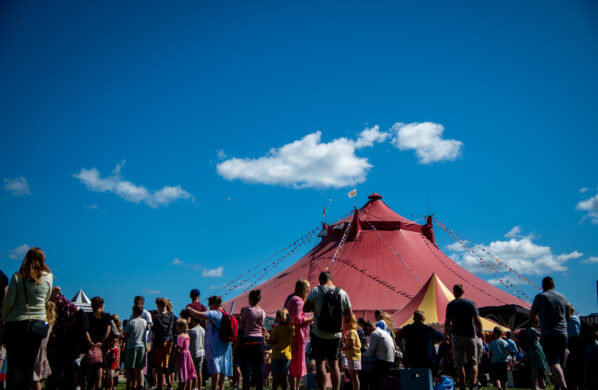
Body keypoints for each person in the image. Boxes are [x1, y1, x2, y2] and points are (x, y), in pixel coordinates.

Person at [2, 247, 53, 390]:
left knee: (14, 365)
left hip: (16, 322)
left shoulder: (17, 277)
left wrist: (3, 318)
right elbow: (47, 298)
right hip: (36, 324)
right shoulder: (48, 277)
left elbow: (9, 302)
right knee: (28, 365)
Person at [303, 271, 353, 390]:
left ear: (320, 280)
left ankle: (322, 388)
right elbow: (349, 315)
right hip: (335, 334)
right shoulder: (343, 293)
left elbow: (305, 308)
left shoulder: (316, 291)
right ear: (331, 279)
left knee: (320, 363)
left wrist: (315, 306)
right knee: (334, 364)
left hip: (318, 333)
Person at [530, 276, 569, 390]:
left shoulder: (540, 297)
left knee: (553, 361)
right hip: (562, 333)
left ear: (543, 286)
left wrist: (536, 320)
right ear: (554, 285)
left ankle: (564, 386)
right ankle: (557, 387)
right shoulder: (563, 297)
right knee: (559, 363)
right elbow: (568, 317)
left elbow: (532, 314)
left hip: (548, 333)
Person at [187, 296, 232, 390]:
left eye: (210, 304)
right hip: (224, 344)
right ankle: (221, 387)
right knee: (222, 368)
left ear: (214, 304)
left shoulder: (215, 313)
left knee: (215, 369)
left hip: (215, 344)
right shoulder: (225, 313)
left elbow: (199, 315)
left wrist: (190, 309)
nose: (209, 306)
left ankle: (214, 387)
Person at [444, 284, 482, 390]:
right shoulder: (470, 303)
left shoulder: (451, 305)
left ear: (454, 292)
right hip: (470, 336)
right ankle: (473, 384)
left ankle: (462, 385)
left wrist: (446, 335)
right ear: (463, 292)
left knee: (459, 364)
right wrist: (480, 331)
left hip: (456, 336)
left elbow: (447, 322)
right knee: (473, 362)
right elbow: (477, 319)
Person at [284, 279, 313, 390]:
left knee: (295, 363)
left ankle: (294, 387)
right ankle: (294, 387)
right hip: (298, 335)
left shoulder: (291, 299)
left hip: (295, 335)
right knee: (296, 363)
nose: (308, 291)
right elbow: (296, 318)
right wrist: (310, 318)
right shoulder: (298, 300)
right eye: (307, 289)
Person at [239, 289, 266, 390]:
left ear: (250, 299)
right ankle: (260, 387)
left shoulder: (247, 310)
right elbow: (262, 324)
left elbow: (241, 324)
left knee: (247, 366)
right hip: (259, 339)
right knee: (259, 366)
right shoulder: (262, 312)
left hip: (248, 338)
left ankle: (246, 386)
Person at [86, 296, 112, 390]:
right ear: (102, 305)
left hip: (90, 343)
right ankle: (98, 385)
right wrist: (101, 341)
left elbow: (86, 330)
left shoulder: (88, 315)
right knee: (100, 365)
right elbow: (108, 330)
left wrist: (90, 341)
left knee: (90, 364)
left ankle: (90, 385)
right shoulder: (106, 316)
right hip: (101, 344)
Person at [152, 298, 175, 390]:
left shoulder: (157, 317)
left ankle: (160, 385)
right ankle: (169, 384)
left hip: (159, 341)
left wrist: (152, 341)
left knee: (159, 365)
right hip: (169, 340)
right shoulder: (171, 315)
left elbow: (154, 331)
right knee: (166, 363)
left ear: (160, 306)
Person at [362, 321, 394, 389]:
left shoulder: (374, 334)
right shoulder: (383, 332)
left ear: (368, 328)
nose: (367, 335)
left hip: (383, 361)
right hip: (390, 360)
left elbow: (370, 352)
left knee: (370, 378)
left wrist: (361, 355)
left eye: (366, 332)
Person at [32, 300, 56, 390]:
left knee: (35, 377)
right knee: (40, 376)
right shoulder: (50, 322)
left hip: (37, 348)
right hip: (43, 350)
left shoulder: (42, 322)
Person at [124, 304, 147, 390]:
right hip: (142, 346)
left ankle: (129, 385)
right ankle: (140, 385)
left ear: (134, 311)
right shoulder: (144, 322)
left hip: (132, 345)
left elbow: (126, 334)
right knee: (140, 368)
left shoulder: (131, 322)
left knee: (130, 367)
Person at [270, 308, 294, 390]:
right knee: (284, 377)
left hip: (276, 355)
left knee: (275, 377)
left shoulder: (276, 328)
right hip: (287, 355)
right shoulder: (291, 328)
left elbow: (272, 341)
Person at [565, 303, 584, 390]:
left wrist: (564, 334)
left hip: (574, 347)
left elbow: (575, 333)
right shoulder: (568, 320)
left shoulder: (573, 319)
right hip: (571, 347)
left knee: (574, 370)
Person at [339, 314, 361, 390]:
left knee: (354, 376)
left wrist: (341, 349)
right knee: (353, 376)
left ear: (348, 323)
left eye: (344, 323)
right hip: (353, 356)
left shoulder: (351, 332)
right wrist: (345, 340)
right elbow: (350, 343)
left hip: (353, 357)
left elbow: (350, 345)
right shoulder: (353, 332)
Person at [527, 317, 549, 390]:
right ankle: (535, 385)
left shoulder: (529, 329)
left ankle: (536, 385)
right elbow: (540, 334)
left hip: (534, 349)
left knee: (536, 368)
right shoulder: (532, 329)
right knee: (536, 368)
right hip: (535, 349)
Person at [175, 319, 197, 390]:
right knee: (188, 373)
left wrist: (175, 356)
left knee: (182, 373)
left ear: (180, 327)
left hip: (182, 356)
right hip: (188, 355)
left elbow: (178, 348)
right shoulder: (187, 335)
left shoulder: (180, 336)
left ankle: (181, 388)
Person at [188, 315, 205, 390]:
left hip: (193, 352)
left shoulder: (191, 331)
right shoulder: (202, 330)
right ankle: (199, 387)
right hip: (201, 352)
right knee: (199, 371)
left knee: (192, 371)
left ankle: (193, 386)